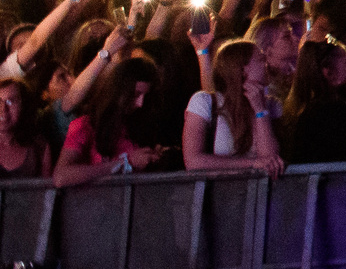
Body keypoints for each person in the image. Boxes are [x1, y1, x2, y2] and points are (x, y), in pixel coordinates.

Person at [55, 54, 167, 185]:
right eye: (135, 95)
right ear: (119, 91)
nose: (140, 103)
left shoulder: (143, 125)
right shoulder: (86, 125)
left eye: (145, 96)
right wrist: (125, 163)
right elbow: (61, 176)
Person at [181, 38, 286, 178]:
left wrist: (260, 111)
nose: (267, 64)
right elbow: (193, 161)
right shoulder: (204, 102)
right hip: (217, 189)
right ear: (242, 69)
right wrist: (252, 163)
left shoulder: (272, 105)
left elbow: (270, 160)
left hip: (258, 189)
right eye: (261, 60)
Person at [0, 77, 55, 180]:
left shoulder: (40, 147)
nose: (3, 109)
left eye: (11, 101)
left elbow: (46, 188)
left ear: (24, 106)